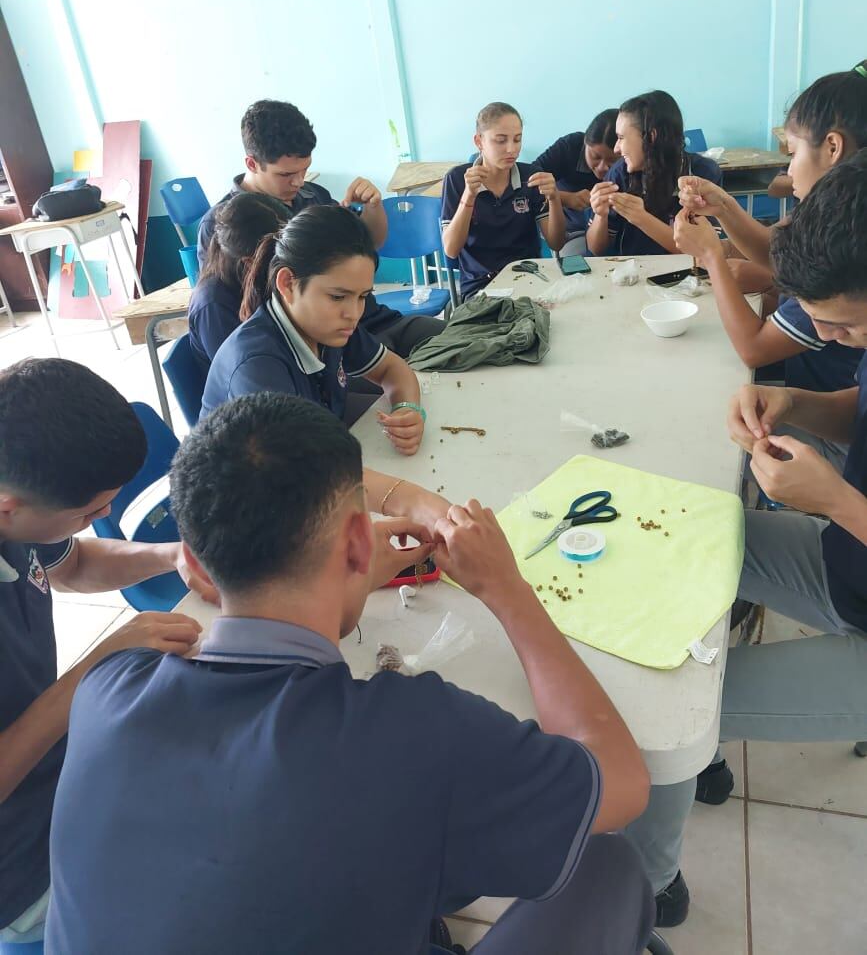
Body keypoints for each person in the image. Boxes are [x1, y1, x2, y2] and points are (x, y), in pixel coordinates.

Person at [46, 392, 654, 955]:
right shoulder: (414, 734)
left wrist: (345, 560)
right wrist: (507, 589)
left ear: (197, 570)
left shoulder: (107, 691)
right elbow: (621, 782)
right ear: (361, 546)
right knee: (608, 865)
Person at [627, 152, 867, 929]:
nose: (828, 334)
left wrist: (833, 499)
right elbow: (855, 406)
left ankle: (646, 886)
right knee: (687, 530)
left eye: (842, 322)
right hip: (843, 567)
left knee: (663, 716)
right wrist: (795, 399)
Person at [0, 359, 209, 952]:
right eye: (89, 514)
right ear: (8, 507)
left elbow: (75, 565)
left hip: (61, 779)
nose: (97, 523)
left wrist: (172, 555)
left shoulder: (22, 509)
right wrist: (100, 661)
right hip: (20, 868)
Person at [674, 61, 867, 448]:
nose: (788, 171)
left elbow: (755, 349)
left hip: (828, 415)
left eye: (792, 153)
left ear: (832, 146)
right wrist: (725, 207)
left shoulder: (845, 251)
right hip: (825, 402)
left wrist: (714, 258)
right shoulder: (835, 213)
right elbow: (778, 254)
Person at [197, 99, 444, 357]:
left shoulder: (313, 196)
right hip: (323, 349)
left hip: (371, 324)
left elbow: (367, 247)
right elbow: (235, 311)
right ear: (251, 163)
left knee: (463, 341)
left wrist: (373, 208)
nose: (298, 181)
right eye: (285, 174)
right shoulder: (223, 224)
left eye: (305, 170)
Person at [201, 205, 427, 455]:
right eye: (338, 296)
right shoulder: (257, 364)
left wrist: (407, 409)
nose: (354, 313)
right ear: (287, 284)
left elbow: (392, 369)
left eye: (362, 296)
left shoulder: (328, 326)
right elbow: (302, 470)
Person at [441, 102, 567, 299]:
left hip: (530, 277)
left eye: (517, 140)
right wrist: (469, 196)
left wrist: (554, 198)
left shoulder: (531, 176)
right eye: (500, 141)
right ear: (479, 141)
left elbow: (556, 243)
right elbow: (451, 250)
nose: (511, 149)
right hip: (481, 286)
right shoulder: (457, 179)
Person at [586, 90, 723, 257]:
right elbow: (595, 249)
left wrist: (641, 218)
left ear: (651, 137)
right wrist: (601, 216)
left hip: (686, 275)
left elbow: (704, 250)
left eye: (621, 137)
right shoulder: (620, 174)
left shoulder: (701, 175)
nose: (616, 148)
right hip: (634, 274)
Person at [188, 191, 288, 374]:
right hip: (254, 394)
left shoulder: (257, 278)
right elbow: (246, 375)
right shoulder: (213, 304)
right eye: (279, 258)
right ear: (250, 261)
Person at [529, 108, 619, 255]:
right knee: (576, 270)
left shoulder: (628, 163)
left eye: (612, 161)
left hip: (614, 229)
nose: (602, 167)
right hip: (571, 231)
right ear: (585, 142)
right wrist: (565, 198)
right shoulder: (569, 147)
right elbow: (529, 181)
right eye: (595, 156)